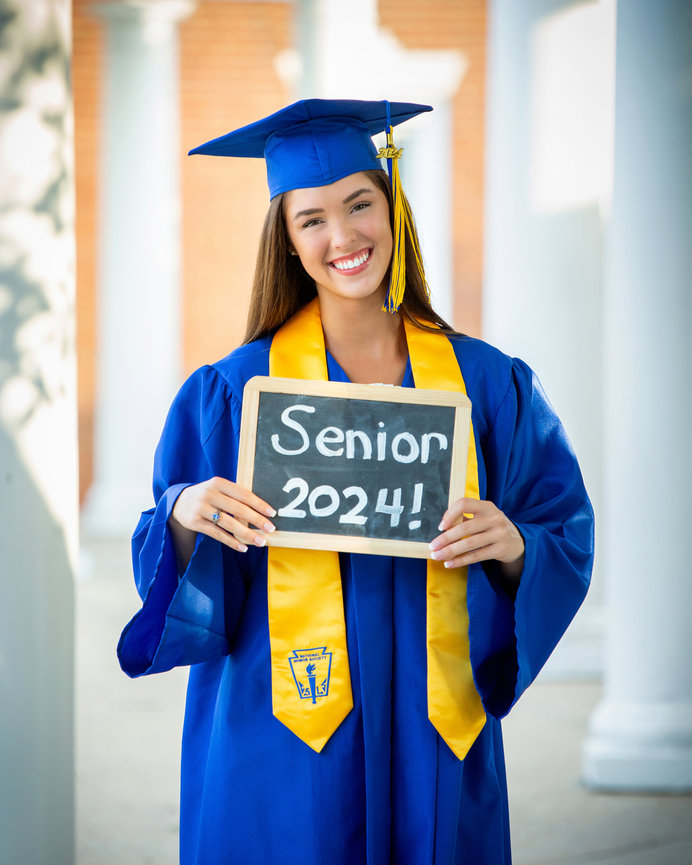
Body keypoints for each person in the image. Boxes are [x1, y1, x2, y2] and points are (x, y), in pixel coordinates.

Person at [118, 99, 594, 865]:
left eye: (360, 204)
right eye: (312, 219)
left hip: (433, 723)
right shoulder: (234, 391)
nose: (342, 236)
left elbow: (560, 524)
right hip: (283, 723)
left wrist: (514, 547)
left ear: (393, 208)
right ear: (289, 242)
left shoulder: (486, 383)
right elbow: (165, 534)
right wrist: (183, 512)